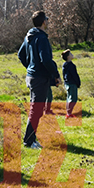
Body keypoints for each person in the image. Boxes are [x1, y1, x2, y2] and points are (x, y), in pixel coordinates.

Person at [17, 10, 61, 149]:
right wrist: (56, 74)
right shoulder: (41, 38)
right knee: (36, 110)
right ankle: (28, 141)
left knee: (36, 109)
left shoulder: (28, 36)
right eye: (47, 19)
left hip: (31, 77)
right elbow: (46, 60)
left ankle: (32, 139)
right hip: (39, 78)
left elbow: (21, 55)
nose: (47, 21)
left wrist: (30, 67)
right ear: (44, 21)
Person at [61, 49, 81, 118]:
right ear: (68, 57)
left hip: (67, 83)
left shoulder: (64, 65)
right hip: (72, 84)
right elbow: (75, 75)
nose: (72, 55)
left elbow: (63, 75)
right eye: (71, 54)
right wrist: (78, 83)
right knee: (73, 99)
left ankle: (68, 112)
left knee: (68, 98)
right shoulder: (72, 66)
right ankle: (69, 113)